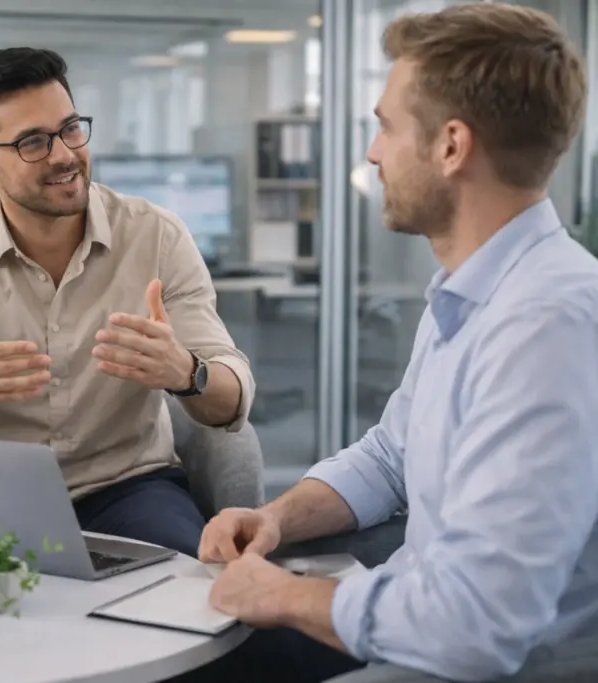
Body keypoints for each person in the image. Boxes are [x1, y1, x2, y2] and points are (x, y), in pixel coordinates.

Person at [195, 4, 598, 683]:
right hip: (415, 615)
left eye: (385, 127)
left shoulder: (546, 326)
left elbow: (476, 626)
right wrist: (276, 518)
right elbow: (390, 459)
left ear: (451, 146)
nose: (372, 153)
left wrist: (282, 595)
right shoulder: (471, 294)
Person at [0, 48, 255, 557]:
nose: (65, 155)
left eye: (71, 129)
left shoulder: (155, 234)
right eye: (33, 142)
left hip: (130, 488)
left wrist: (186, 371)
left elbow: (230, 400)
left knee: (195, 586)